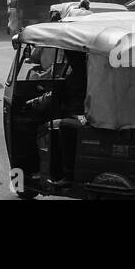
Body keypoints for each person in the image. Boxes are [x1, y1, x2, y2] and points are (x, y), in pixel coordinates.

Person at [25, 50, 88, 182]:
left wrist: (33, 103)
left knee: (45, 129)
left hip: (77, 116)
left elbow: (54, 96)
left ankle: (57, 173)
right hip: (78, 114)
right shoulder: (85, 70)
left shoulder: (76, 73)